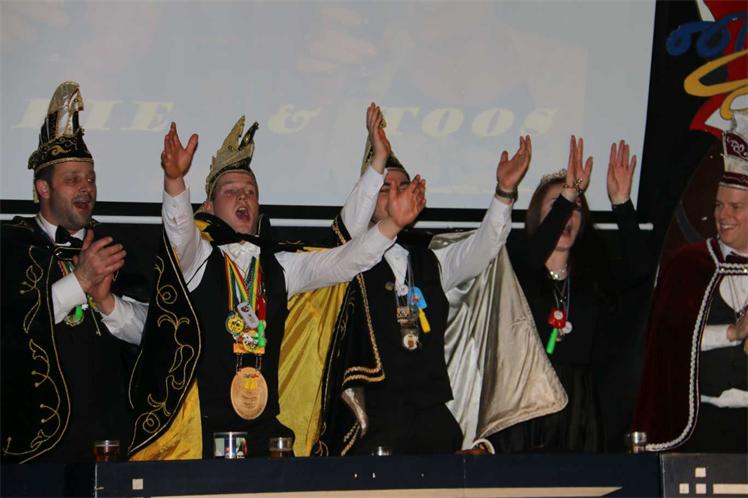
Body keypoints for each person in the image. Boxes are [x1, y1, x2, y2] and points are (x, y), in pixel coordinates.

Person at [128, 116, 425, 459]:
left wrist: (392, 223)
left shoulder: (281, 264)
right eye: (231, 191)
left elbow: (345, 261)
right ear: (208, 207)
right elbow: (179, 235)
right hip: (205, 436)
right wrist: (175, 181)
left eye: (250, 192)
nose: (243, 196)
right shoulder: (199, 258)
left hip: (266, 434)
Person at [315, 104, 532, 455]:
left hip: (430, 413)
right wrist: (378, 158)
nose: (397, 193)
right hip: (376, 417)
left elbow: (482, 249)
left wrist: (504, 192)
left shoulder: (429, 259)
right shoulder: (348, 257)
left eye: (403, 185)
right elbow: (349, 226)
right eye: (384, 187)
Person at [1, 81, 148, 463]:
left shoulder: (116, 245)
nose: (86, 188)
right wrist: (79, 282)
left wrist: (108, 302)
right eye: (72, 180)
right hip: (36, 444)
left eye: (91, 178)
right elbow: (12, 326)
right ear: (43, 188)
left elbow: (153, 336)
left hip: (112, 440)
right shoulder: (11, 246)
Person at [489, 136, 648, 452]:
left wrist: (621, 202)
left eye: (576, 208)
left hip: (580, 411)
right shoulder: (518, 264)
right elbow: (532, 258)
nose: (568, 213)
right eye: (559, 204)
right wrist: (570, 193)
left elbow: (641, 270)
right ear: (538, 215)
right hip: (526, 403)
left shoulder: (592, 275)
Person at [633, 112, 748, 453]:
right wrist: (732, 333)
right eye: (719, 205)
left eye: (736, 206)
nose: (723, 215)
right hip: (703, 425)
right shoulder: (689, 265)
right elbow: (667, 344)